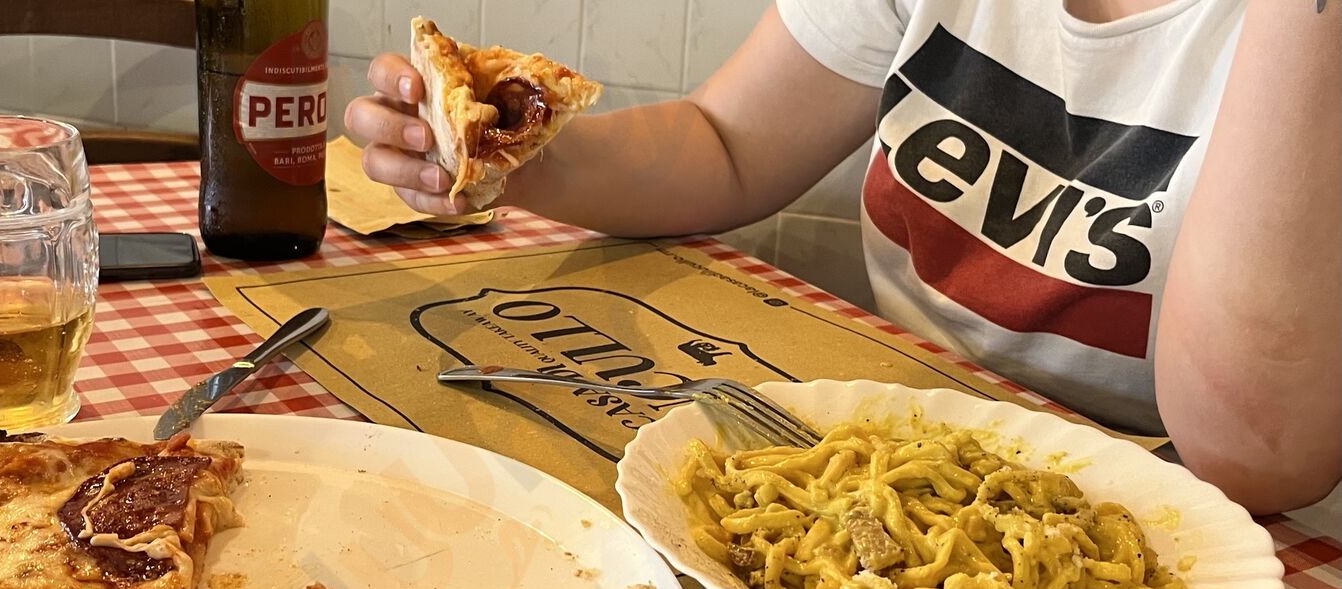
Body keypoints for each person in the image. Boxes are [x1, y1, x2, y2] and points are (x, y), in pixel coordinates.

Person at [345, 0, 1340, 515]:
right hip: (866, 466)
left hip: (1165, 532)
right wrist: (511, 148)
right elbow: (724, 144)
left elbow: (1254, 455)